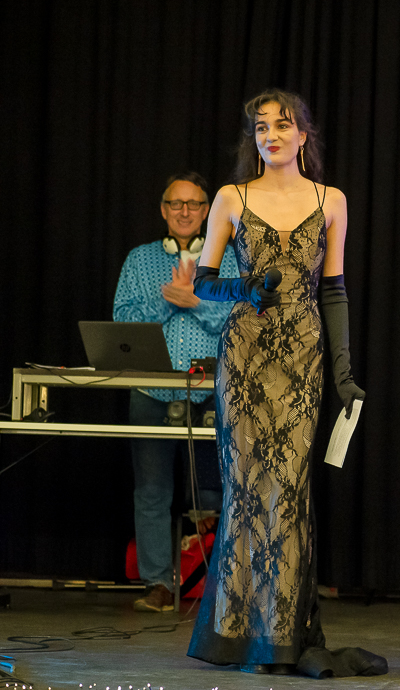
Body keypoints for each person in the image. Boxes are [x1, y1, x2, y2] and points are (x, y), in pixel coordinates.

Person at [185, 89, 386, 679]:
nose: (271, 135)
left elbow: (334, 290)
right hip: (245, 354)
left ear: (304, 135)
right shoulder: (232, 197)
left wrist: (342, 370)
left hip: (302, 356)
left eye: (283, 125)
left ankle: (282, 634)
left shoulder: (330, 200)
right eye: (261, 127)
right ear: (253, 139)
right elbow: (204, 283)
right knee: (247, 492)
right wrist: (245, 288)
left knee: (289, 492)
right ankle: (237, 634)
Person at [113, 171, 237, 613]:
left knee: (216, 494)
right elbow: (122, 321)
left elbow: (241, 320)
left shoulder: (228, 259)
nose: (185, 211)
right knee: (151, 491)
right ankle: (159, 585)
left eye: (194, 204)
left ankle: (217, 587)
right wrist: (168, 300)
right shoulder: (139, 259)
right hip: (152, 389)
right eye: (176, 203)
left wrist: (196, 302)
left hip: (213, 391)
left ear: (207, 212)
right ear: (164, 211)